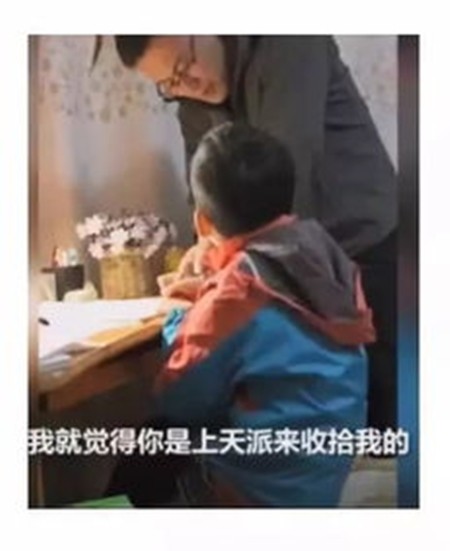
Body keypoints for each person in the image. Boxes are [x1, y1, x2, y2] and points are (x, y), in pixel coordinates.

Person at [111, 35, 397, 433]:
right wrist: (205, 251)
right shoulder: (191, 99)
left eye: (184, 65)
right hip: (287, 266)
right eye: (168, 84)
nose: (187, 85)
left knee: (381, 415)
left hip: (360, 245)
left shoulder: (287, 42)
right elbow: (203, 192)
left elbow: (284, 178)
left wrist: (217, 287)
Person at [108, 123, 375, 507]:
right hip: (320, 481)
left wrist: (183, 319)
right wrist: (208, 294)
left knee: (149, 448)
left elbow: (180, 399)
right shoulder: (326, 258)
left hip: (254, 493)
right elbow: (272, 322)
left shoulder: (234, 296)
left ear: (202, 222)